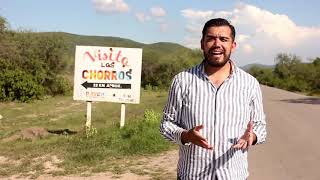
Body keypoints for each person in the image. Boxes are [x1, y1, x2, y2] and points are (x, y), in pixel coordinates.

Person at [160, 18, 267, 180]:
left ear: (233, 45)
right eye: (210, 39)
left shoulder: (250, 83)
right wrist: (186, 136)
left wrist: (251, 137)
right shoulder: (182, 81)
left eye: (224, 39)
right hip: (192, 175)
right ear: (202, 44)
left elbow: (260, 127)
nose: (217, 44)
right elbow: (166, 126)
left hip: (234, 174)